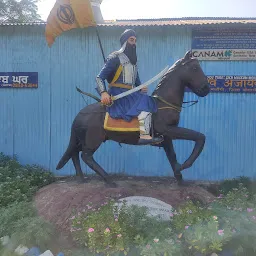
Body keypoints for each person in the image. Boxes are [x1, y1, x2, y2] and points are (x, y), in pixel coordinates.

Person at [95, 29, 163, 145]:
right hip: (118, 95)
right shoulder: (115, 58)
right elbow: (99, 78)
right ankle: (144, 135)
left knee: (150, 100)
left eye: (135, 40)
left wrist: (141, 88)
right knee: (145, 101)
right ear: (125, 42)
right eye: (131, 40)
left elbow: (137, 82)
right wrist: (103, 93)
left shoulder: (133, 63)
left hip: (131, 93)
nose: (134, 43)